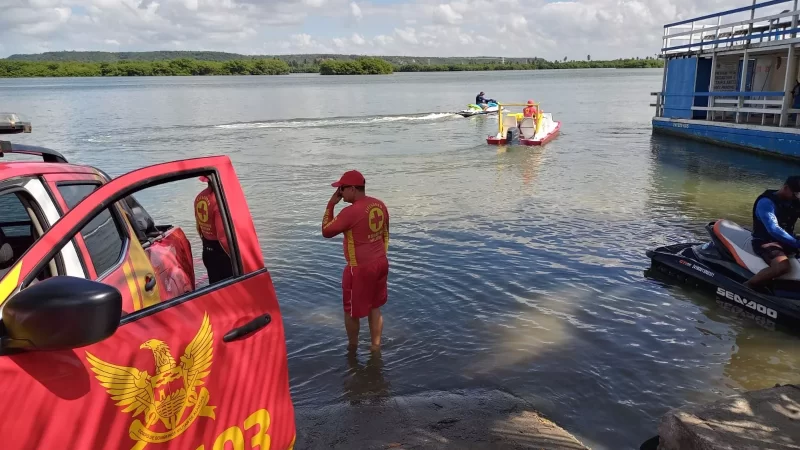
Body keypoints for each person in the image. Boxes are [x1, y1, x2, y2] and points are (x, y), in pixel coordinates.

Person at [321, 170, 390, 353]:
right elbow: (385, 235)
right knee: (374, 307)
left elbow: (326, 231)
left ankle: (352, 349)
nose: (340, 193)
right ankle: (376, 347)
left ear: (352, 189)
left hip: (359, 269)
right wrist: (379, 256)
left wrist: (331, 204)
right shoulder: (380, 204)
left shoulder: (350, 212)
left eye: (342, 189)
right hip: (381, 263)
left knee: (351, 311)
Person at [745, 176, 800, 288]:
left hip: (787, 240)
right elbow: (773, 229)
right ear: (785, 188)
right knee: (782, 267)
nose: (797, 197)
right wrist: (796, 243)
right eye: (795, 194)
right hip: (765, 241)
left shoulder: (794, 201)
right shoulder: (766, 202)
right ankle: (747, 286)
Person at [194, 176, 232, 284]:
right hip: (222, 255)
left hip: (207, 252)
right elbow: (222, 236)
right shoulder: (219, 200)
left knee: (215, 289)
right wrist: (234, 256)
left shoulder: (199, 197)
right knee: (229, 292)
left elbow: (198, 226)